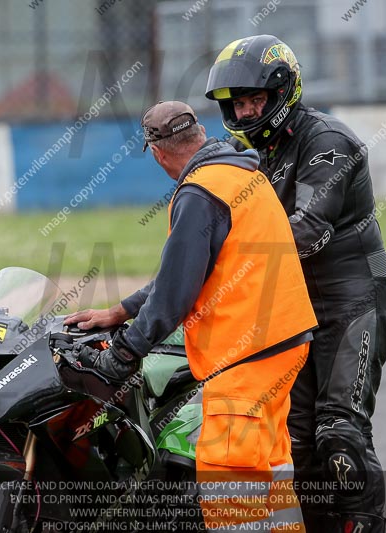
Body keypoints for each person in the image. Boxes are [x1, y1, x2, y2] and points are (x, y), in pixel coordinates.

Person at [65, 100, 318, 532]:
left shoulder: (200, 192)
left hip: (246, 357)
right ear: (199, 135)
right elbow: (187, 275)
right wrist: (122, 310)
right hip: (285, 344)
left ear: (158, 153)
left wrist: (125, 352)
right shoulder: (241, 174)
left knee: (229, 489)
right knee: (271, 474)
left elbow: (176, 293)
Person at [204, 35, 386, 532]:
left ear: (282, 92)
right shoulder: (254, 156)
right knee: (296, 443)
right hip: (299, 311)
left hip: (357, 299)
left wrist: (228, 257)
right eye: (238, 104)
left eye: (254, 100)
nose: (246, 112)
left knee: (339, 432)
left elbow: (307, 230)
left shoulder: (328, 142)